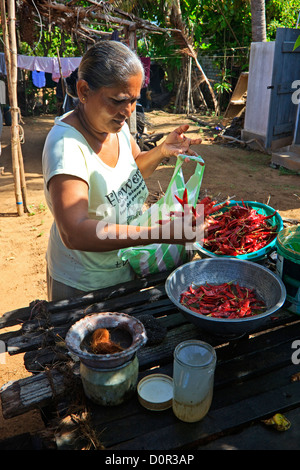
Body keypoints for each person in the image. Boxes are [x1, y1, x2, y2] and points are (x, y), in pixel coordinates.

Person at [42, 40, 202, 301]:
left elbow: (132, 169)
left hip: (125, 270)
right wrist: (160, 234)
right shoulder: (66, 147)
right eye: (118, 101)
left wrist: (162, 151)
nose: (127, 112)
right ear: (83, 91)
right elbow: (74, 232)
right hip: (84, 286)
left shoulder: (116, 127)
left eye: (134, 101)